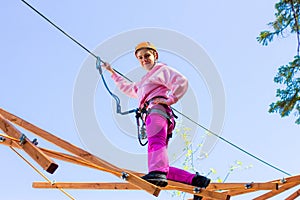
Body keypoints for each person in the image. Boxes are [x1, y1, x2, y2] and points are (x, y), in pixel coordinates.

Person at [101, 41, 210, 200]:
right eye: (140, 57)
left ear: (155, 56)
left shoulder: (161, 70)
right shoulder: (143, 83)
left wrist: (171, 99)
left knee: (156, 153)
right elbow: (127, 87)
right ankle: (196, 181)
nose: (144, 59)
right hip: (153, 115)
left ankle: (158, 174)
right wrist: (111, 72)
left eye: (147, 55)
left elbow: (181, 81)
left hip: (157, 112)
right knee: (159, 162)